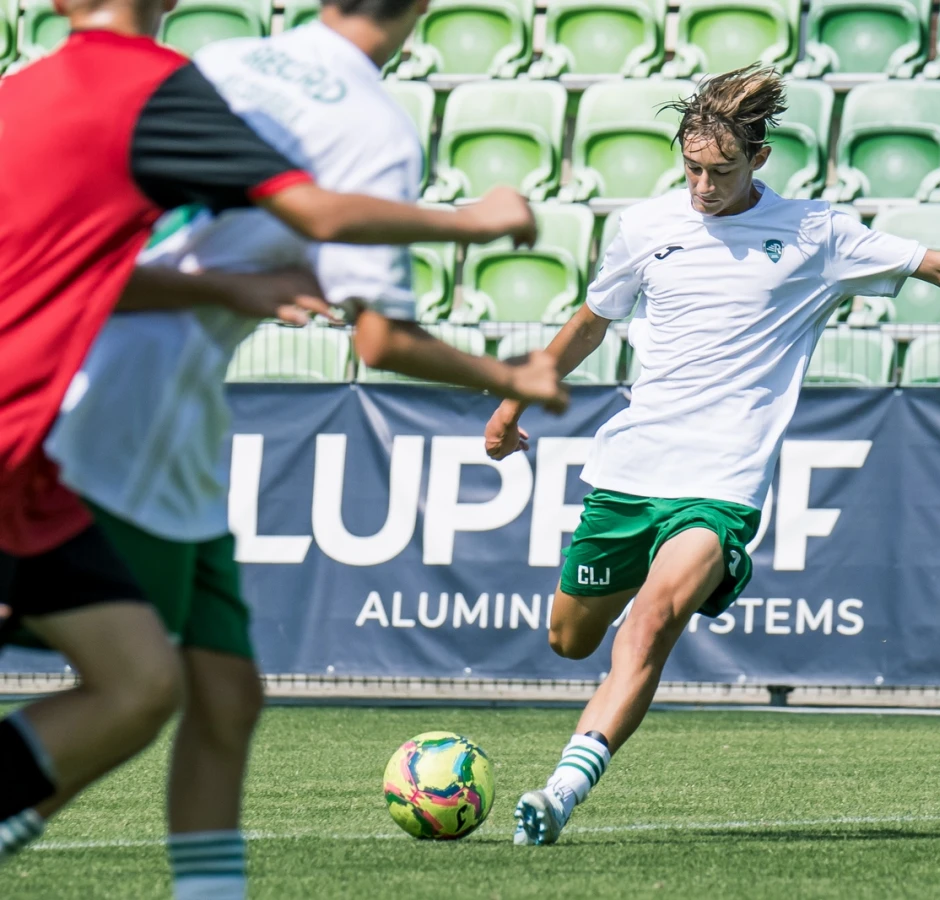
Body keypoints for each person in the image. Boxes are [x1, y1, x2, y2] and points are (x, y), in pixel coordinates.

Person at [483, 65, 940, 846]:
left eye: (721, 171)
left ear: (758, 159)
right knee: (570, 639)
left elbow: (939, 265)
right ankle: (602, 682)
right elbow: (590, 323)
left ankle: (560, 792)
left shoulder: (815, 234)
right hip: (628, 473)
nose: (702, 186)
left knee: (649, 623)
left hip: (720, 485)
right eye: (691, 168)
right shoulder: (646, 228)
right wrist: (512, 403)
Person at [0, 0, 564, 882]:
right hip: (127, 414)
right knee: (132, 689)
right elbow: (380, 337)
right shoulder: (372, 127)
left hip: (156, 404)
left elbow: (103, 251)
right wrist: (510, 368)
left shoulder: (223, 61)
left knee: (226, 697)